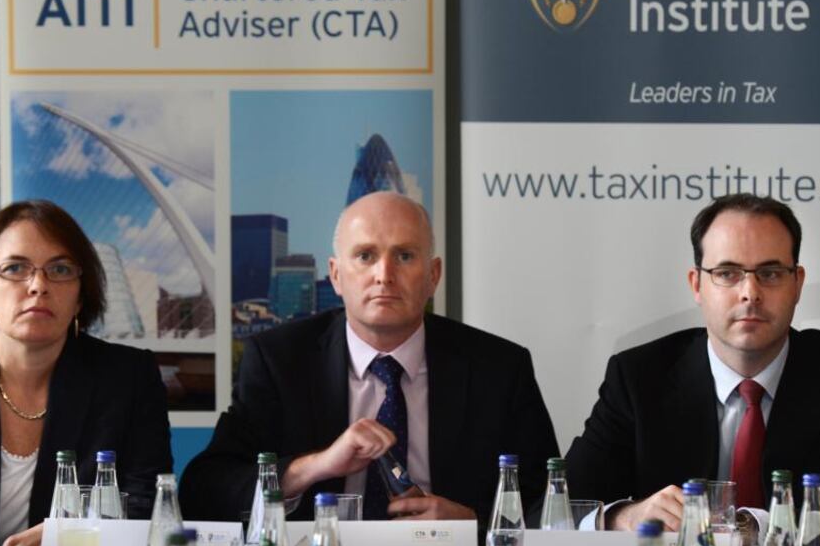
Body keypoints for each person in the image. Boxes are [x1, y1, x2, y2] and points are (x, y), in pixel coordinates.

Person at [180, 191, 559, 527]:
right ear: (336, 276)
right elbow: (205, 490)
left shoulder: (499, 367)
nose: (384, 275)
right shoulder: (279, 360)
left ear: (433, 276)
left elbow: (550, 499)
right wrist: (316, 465)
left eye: (405, 256)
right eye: (365, 256)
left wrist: (471, 522)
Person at [565, 193, 820, 536]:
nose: (750, 292)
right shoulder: (639, 377)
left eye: (771, 273)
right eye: (728, 273)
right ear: (697, 284)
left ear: (797, 284)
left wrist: (751, 527)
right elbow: (558, 508)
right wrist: (622, 517)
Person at [0, 200, 173, 546]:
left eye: (60, 270)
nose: (38, 285)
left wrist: (70, 536)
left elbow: (148, 508)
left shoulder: (129, 379)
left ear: (80, 296)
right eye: (16, 268)